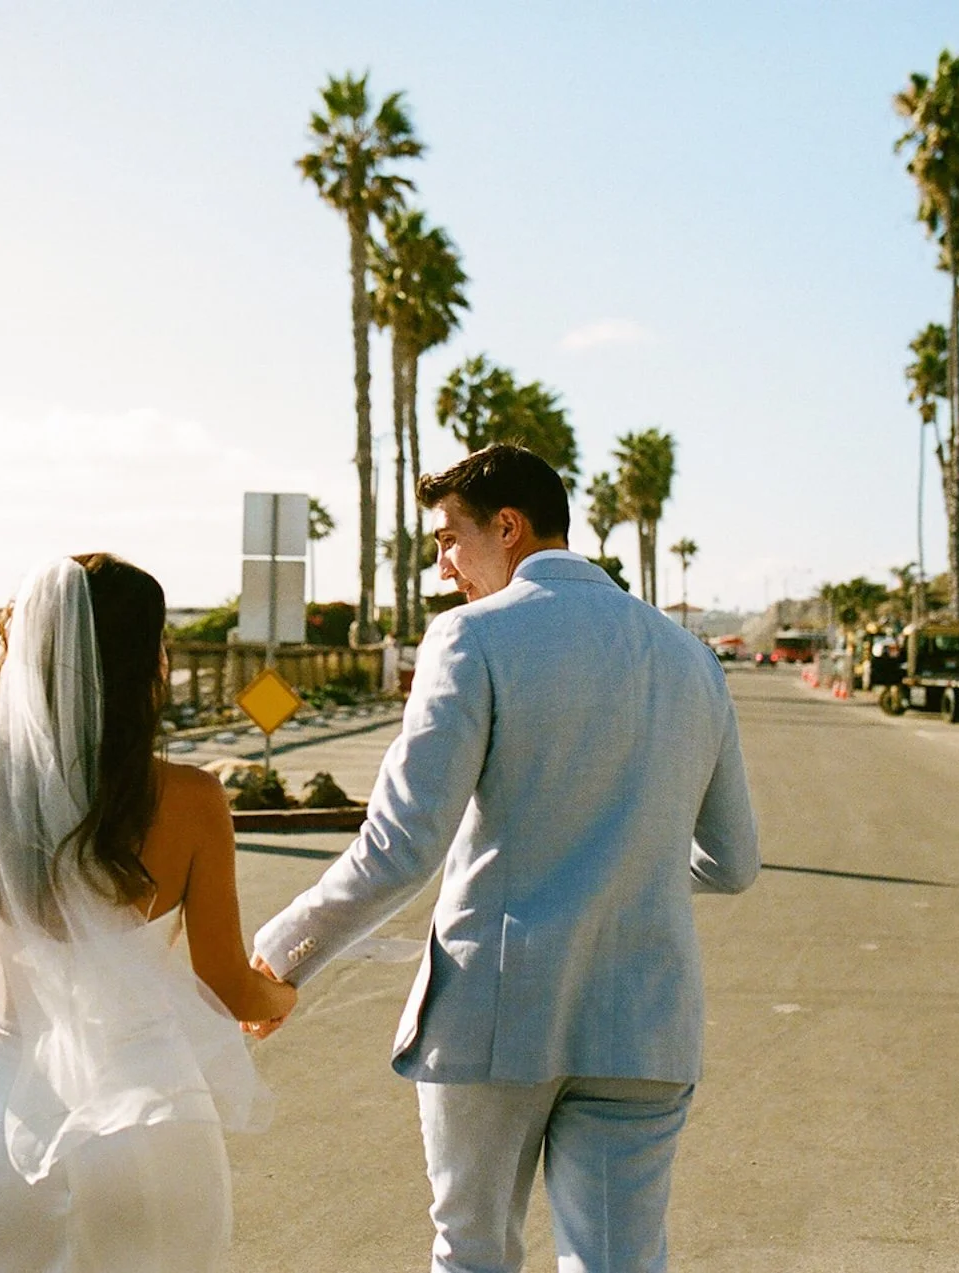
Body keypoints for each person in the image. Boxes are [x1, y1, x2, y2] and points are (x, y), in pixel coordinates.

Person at [253, 445, 761, 1273]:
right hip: (643, 1022)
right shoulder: (690, 658)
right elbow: (733, 860)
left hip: (496, 1019)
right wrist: (628, 863)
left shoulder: (470, 639)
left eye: (450, 539)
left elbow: (400, 847)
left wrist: (282, 954)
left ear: (510, 527)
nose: (444, 566)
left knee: (475, 1252)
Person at [0, 553, 296, 1273]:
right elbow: (229, 981)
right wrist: (280, 991)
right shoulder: (194, 799)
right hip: (151, 1126)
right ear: (144, 662)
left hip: (2, 1127)